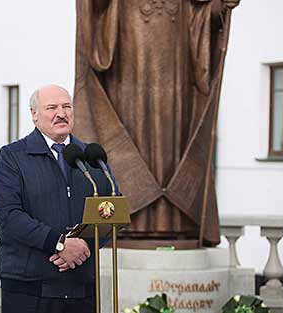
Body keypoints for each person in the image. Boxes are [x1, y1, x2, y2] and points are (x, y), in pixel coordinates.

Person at [73, 0, 240, 247]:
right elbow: (95, 13)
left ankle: (174, 223)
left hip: (176, 73)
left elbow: (199, 19)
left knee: (170, 142)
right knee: (131, 130)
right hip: (126, 67)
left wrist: (218, 9)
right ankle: (129, 222)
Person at [0, 85, 118, 313]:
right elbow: (9, 215)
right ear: (34, 114)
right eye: (52, 108)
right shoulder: (13, 157)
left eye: (66, 106)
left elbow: (110, 209)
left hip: (81, 285)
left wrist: (80, 249)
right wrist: (58, 244)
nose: (61, 113)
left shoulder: (92, 157)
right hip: (29, 286)